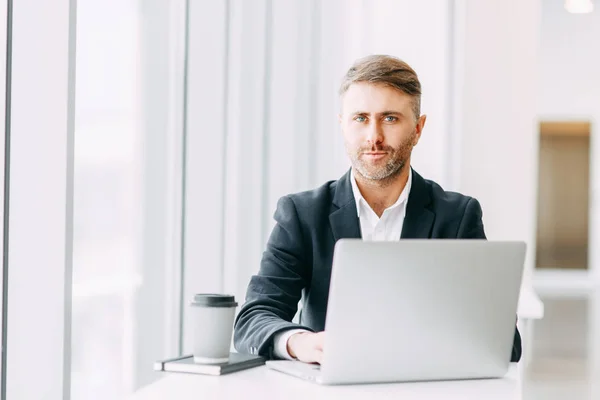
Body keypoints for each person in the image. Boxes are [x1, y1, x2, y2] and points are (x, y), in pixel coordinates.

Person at [233, 54, 522, 364]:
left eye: (390, 118)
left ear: (419, 128)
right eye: (360, 118)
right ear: (342, 125)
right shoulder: (301, 214)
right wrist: (300, 343)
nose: (374, 137)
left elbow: (505, 342)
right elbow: (254, 318)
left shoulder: (458, 216)